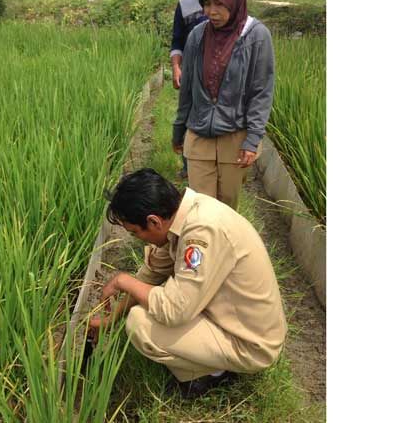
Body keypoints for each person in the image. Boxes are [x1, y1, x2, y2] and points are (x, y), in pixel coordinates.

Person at [88, 168, 287, 398]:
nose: (137, 238)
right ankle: (210, 361)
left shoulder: (202, 232)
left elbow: (175, 310)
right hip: (232, 320)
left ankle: (215, 375)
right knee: (146, 302)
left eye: (134, 233)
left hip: (251, 343)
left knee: (140, 323)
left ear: (153, 222)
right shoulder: (184, 213)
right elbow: (151, 274)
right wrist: (111, 319)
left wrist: (123, 281)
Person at [173, 0, 275, 210]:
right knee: (200, 208)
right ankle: (203, 248)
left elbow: (261, 91)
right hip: (199, 134)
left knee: (228, 207)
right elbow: (187, 89)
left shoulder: (256, 36)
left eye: (219, 4)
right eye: (206, 4)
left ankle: (226, 249)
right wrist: (179, 130)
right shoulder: (197, 35)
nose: (212, 12)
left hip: (235, 136)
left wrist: (252, 139)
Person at [170, 0, 219, 179]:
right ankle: (189, 165)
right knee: (189, 116)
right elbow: (177, 40)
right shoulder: (185, 4)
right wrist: (176, 67)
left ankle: (219, 165)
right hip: (193, 75)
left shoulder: (231, 1)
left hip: (222, 76)